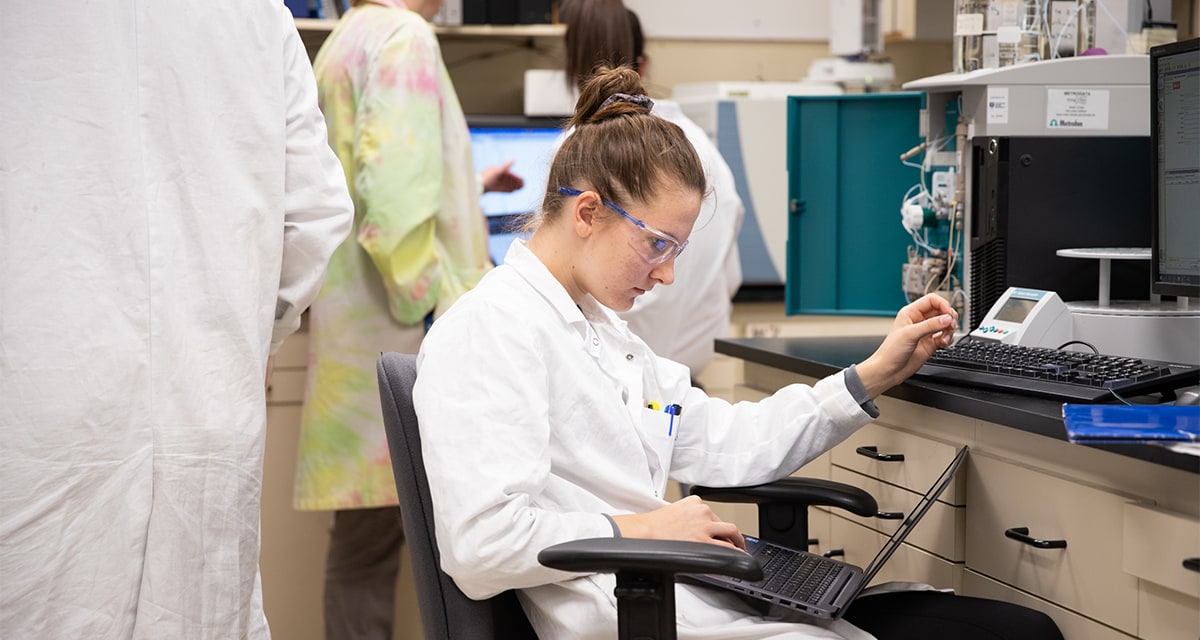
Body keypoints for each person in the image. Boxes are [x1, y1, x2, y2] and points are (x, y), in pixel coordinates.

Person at [411, 67, 1063, 639]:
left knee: (1018, 627)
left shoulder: (599, 332)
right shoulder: (491, 330)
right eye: (657, 245)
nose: (666, 276)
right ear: (587, 213)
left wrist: (867, 377)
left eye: (677, 252)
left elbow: (724, 440)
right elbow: (481, 545)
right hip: (632, 615)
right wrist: (647, 529)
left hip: (685, 597)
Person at [0, 1, 353, 637]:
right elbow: (317, 217)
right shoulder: (254, 14)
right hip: (206, 409)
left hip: (37, 425)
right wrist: (248, 338)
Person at [291, 1, 521, 638]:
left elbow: (369, 175)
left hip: (358, 336)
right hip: (405, 333)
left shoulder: (346, 38)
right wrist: (436, 311)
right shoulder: (405, 36)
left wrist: (466, 187)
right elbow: (391, 209)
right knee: (453, 546)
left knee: (364, 548)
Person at [561, 0, 745, 382]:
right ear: (642, 67)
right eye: (658, 244)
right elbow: (729, 278)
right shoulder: (702, 148)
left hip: (624, 381)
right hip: (685, 376)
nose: (666, 274)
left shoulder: (579, 151)